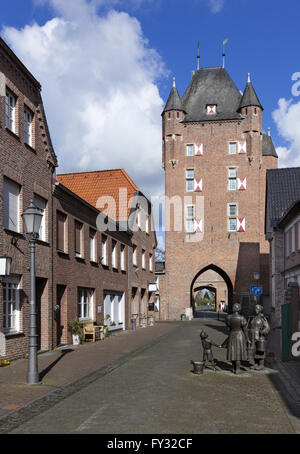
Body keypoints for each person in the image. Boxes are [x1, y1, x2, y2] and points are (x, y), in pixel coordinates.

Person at [226, 303, 250, 374]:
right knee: (238, 353)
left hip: (232, 334)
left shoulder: (228, 317)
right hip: (240, 335)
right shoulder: (242, 318)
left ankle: (233, 368)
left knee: (233, 352)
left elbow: (228, 328)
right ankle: (238, 369)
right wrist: (247, 338)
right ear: (239, 309)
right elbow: (245, 329)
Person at [249, 304, 270, 370]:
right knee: (255, 350)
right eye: (255, 308)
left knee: (260, 351)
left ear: (260, 310)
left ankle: (261, 364)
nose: (256, 310)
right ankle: (256, 363)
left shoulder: (263, 318)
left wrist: (263, 331)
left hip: (260, 336)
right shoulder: (254, 317)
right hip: (253, 336)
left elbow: (267, 327)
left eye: (257, 309)